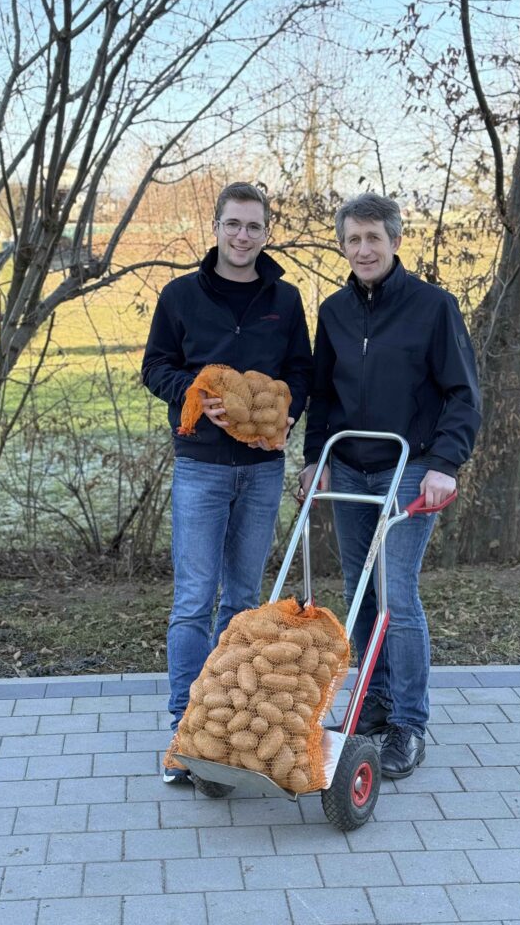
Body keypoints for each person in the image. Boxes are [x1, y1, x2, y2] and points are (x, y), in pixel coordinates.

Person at [300, 192, 480, 779]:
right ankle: (373, 703)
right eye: (353, 239)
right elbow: (322, 394)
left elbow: (461, 394)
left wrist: (445, 463)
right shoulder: (333, 312)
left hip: (410, 466)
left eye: (373, 237)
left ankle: (408, 722)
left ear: (396, 241)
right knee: (361, 593)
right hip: (349, 466)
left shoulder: (433, 307)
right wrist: (313, 458)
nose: (363, 249)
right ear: (343, 245)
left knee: (396, 596)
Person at [142, 181, 312, 783]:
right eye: (234, 224)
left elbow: (301, 370)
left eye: (255, 227)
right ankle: (182, 730)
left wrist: (289, 409)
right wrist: (194, 395)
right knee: (193, 600)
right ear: (215, 228)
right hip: (201, 466)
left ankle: (225, 729)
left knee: (242, 602)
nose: (243, 236)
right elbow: (155, 366)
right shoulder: (180, 296)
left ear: (267, 234)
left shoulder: (284, 300)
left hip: (263, 468)